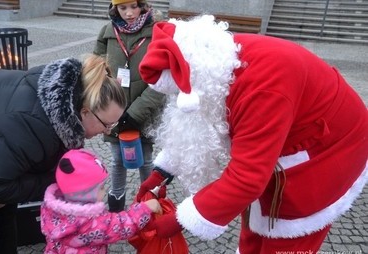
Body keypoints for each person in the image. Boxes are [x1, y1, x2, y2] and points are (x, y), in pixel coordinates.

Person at [136, 15, 368, 253]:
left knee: (287, 236)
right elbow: (197, 125)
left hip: (327, 150)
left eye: (180, 94)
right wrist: (161, 172)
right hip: (282, 134)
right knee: (256, 225)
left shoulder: (262, 89)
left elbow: (247, 179)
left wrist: (179, 220)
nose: (180, 101)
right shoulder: (214, 64)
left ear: (196, 78)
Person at [0, 53, 127, 254]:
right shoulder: (32, 123)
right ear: (84, 112)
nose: (108, 131)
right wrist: (55, 182)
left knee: (5, 211)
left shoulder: (64, 97)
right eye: (106, 124)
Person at [93, 0, 165, 212]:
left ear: (142, 5)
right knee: (117, 159)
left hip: (146, 110)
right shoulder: (108, 32)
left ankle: (150, 202)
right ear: (115, 9)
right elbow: (96, 70)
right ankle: (116, 205)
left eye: (133, 6)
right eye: (122, 8)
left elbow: (162, 82)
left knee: (145, 160)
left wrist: (135, 114)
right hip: (115, 109)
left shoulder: (157, 32)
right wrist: (106, 102)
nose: (129, 13)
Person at [41, 148, 161, 253]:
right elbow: (121, 226)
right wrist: (145, 208)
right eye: (101, 188)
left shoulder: (52, 210)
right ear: (85, 193)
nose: (104, 191)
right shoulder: (89, 222)